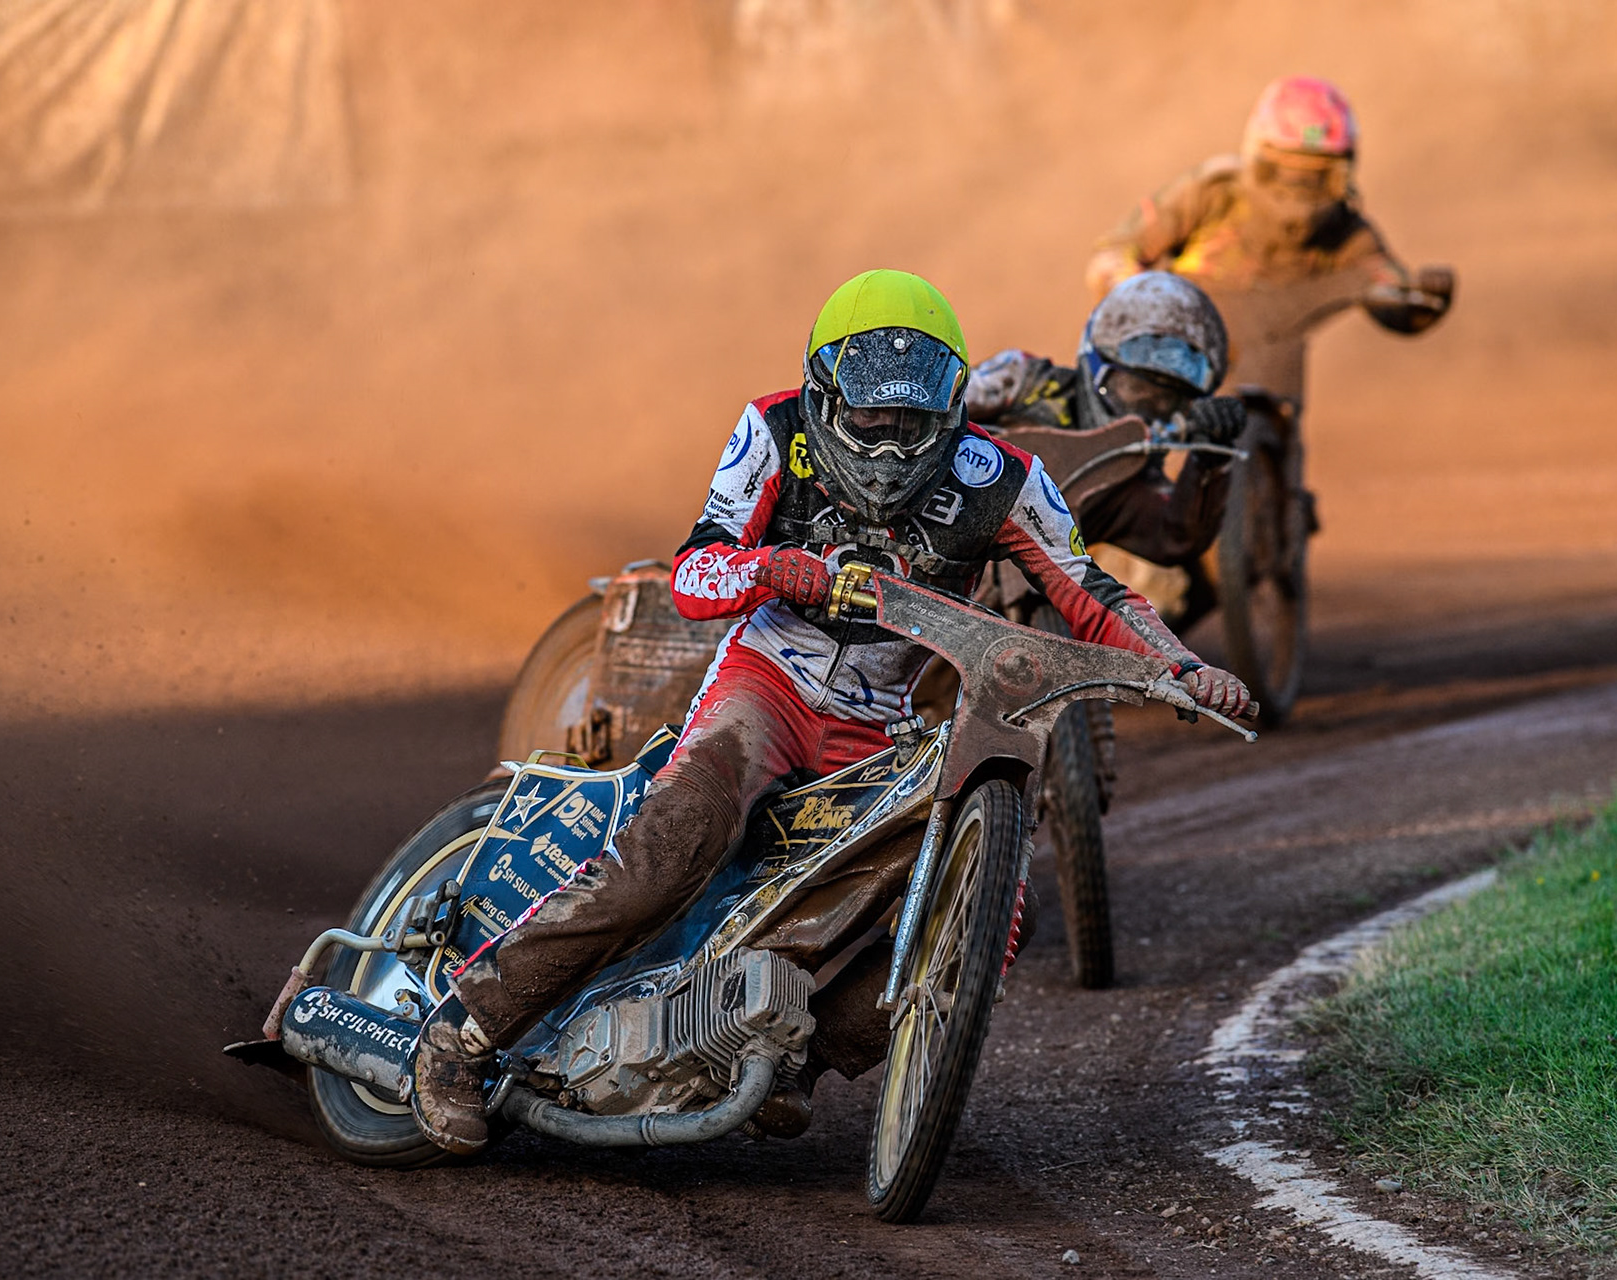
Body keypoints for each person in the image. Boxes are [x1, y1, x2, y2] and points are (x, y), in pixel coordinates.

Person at [410, 269, 1251, 1155]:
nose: (889, 448)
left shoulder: (1004, 477)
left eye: (912, 426)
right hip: (766, 686)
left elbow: (1090, 587)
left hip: (883, 724)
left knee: (1001, 915)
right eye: (870, 421)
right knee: (681, 839)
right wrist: (774, 569)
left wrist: (1187, 666)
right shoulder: (772, 429)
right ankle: (461, 1035)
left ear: (953, 412)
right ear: (824, 396)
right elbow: (695, 571)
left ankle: (798, 1064)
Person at [1082, 75, 1452, 411]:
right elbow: (1114, 255)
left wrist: (1422, 303)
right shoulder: (1213, 192)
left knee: (1274, 464)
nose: (1297, 191)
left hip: (1273, 382)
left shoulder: (1347, 231)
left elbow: (1387, 289)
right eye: (1285, 172)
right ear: (1257, 158)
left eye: (1316, 176)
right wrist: (1145, 306)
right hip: (1177, 350)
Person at [965, 271, 1245, 605]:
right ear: (1094, 362)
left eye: (1166, 401)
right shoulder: (1021, 381)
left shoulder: (1126, 484)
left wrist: (1211, 460)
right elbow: (938, 404)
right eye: (1134, 389)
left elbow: (1175, 536)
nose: (1143, 412)